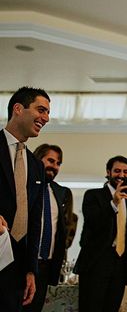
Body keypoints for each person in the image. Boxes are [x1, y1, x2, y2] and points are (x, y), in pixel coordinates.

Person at [0, 87, 49, 311]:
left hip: (18, 269)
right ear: (18, 109)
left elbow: (35, 220)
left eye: (48, 113)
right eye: (41, 110)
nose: (45, 118)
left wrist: (31, 270)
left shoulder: (37, 166)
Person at [74, 156, 127, 312]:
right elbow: (93, 222)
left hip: (120, 265)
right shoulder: (93, 195)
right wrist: (113, 203)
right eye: (117, 171)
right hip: (95, 263)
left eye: (125, 172)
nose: (121, 175)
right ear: (108, 172)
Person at [24, 144, 73, 312]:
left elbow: (61, 231)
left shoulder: (59, 192)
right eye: (50, 160)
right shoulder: (24, 186)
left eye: (58, 163)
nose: (55, 166)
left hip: (46, 265)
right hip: (22, 262)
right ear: (38, 159)